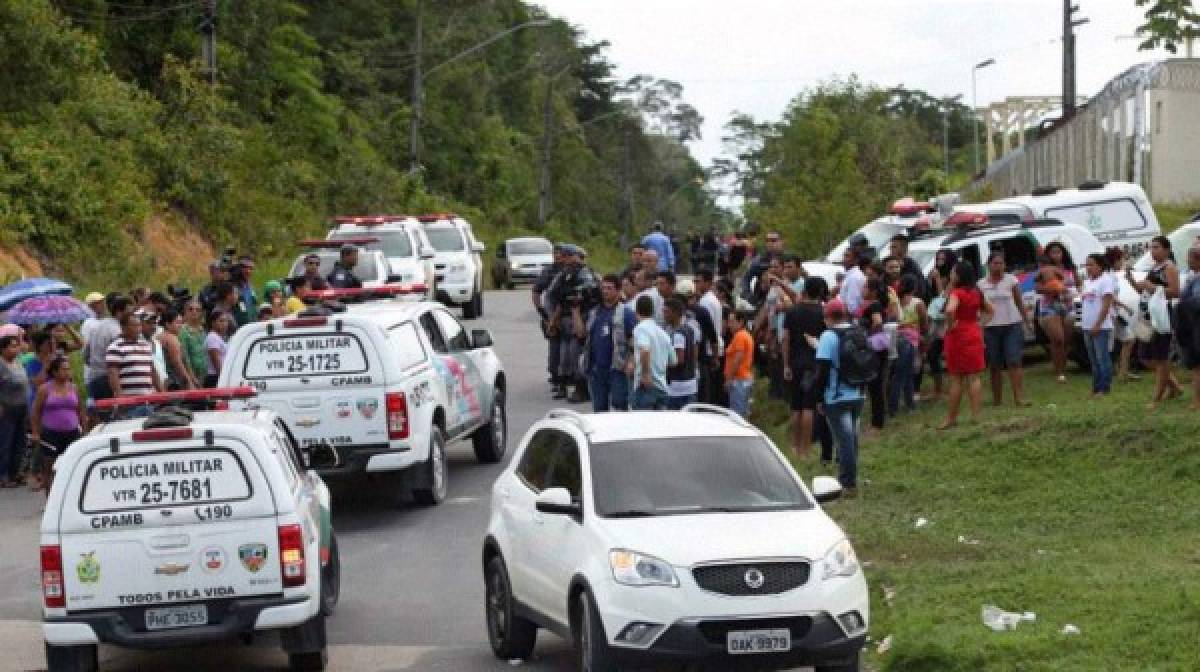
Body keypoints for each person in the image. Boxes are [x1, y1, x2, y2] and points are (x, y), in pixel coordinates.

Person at [814, 299, 865, 494]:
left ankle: (847, 482)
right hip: (857, 393)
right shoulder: (857, 331)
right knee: (851, 438)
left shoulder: (828, 336)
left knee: (844, 441)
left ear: (827, 318)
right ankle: (850, 475)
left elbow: (822, 370)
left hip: (836, 396)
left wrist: (819, 398)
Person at [1128, 234, 1183, 408]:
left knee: (1160, 358)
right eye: (1151, 247)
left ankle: (1156, 399)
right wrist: (1131, 280)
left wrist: (1153, 287)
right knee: (1145, 357)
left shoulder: (1169, 267)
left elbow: (1175, 291)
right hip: (1147, 316)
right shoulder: (1155, 267)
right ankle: (1174, 386)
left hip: (1161, 317)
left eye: (1157, 247)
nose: (1153, 251)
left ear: (1167, 250)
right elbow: (1142, 291)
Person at [783, 277, 832, 460]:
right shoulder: (823, 313)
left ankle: (794, 447)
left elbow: (786, 338)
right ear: (820, 292)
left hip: (795, 362)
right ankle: (805, 450)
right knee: (809, 407)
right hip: (814, 364)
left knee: (795, 407)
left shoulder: (792, 311)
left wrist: (786, 364)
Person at [940, 261, 991, 429]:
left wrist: (950, 324)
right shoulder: (977, 292)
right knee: (974, 377)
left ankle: (951, 418)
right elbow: (991, 310)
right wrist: (981, 325)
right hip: (973, 332)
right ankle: (976, 416)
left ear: (959, 275)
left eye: (953, 272)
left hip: (958, 335)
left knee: (956, 378)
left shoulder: (956, 293)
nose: (951, 275)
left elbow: (949, 310)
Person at [978, 251, 1031, 407]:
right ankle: (997, 399)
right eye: (995, 263)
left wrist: (1026, 321)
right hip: (990, 327)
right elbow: (979, 307)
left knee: (1014, 361)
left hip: (1011, 324)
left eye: (1001, 263)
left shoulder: (1011, 280)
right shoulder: (981, 284)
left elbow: (1019, 301)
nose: (998, 266)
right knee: (994, 364)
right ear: (988, 265)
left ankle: (1019, 398)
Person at [30, 356, 85, 497]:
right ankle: (50, 499)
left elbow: (80, 411)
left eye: (68, 369)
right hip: (51, 433)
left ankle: (72, 497)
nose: (67, 372)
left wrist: (84, 430)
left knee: (73, 466)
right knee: (49, 467)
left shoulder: (74, 388)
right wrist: (36, 432)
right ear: (54, 372)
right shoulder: (45, 389)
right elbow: (35, 412)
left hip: (72, 432)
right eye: (63, 369)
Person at [584, 275, 635, 412]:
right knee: (599, 409)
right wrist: (575, 311)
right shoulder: (594, 313)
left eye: (609, 288)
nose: (605, 291)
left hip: (617, 368)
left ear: (618, 291)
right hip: (597, 369)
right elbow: (583, 335)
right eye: (603, 288)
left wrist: (631, 361)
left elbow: (634, 341)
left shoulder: (626, 313)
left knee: (620, 407)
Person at [1035, 242, 1077, 383]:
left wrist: (1072, 292)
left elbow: (1079, 285)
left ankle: (1061, 367)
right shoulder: (1044, 269)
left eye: (1059, 251)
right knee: (1058, 338)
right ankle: (1059, 372)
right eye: (1053, 252)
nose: (1056, 255)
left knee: (1067, 341)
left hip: (1069, 306)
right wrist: (1054, 289)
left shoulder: (1071, 269)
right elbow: (1037, 288)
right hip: (1050, 306)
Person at [82, 295, 132, 409]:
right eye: (129, 312)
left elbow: (85, 356)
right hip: (110, 381)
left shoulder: (97, 326)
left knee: (103, 417)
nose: (132, 315)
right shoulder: (117, 330)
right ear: (119, 312)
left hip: (95, 379)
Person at [629, 295, 675, 410]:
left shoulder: (640, 328)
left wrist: (645, 374)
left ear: (637, 310)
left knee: (643, 425)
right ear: (652, 311)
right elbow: (673, 361)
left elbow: (645, 350)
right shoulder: (663, 333)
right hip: (662, 387)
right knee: (659, 426)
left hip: (646, 387)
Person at [923, 249, 958, 400]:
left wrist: (937, 281)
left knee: (950, 355)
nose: (940, 261)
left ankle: (953, 388)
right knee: (932, 355)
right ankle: (938, 389)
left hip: (948, 321)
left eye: (943, 258)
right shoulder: (935, 275)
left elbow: (942, 300)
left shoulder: (954, 278)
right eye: (938, 258)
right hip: (935, 322)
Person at [1080, 253, 1117, 397]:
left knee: (1102, 358)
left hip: (1100, 326)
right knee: (1093, 360)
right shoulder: (1088, 282)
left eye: (1091, 264)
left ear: (1100, 266)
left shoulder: (1105, 281)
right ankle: (1096, 387)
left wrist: (1097, 324)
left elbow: (1106, 305)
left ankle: (1104, 388)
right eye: (1086, 265)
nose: (1088, 268)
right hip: (1087, 326)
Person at [889, 274, 926, 414]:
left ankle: (898, 405)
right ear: (915, 287)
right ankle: (903, 406)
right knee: (906, 374)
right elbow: (924, 324)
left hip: (894, 338)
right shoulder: (918, 303)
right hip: (910, 341)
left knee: (896, 374)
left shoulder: (894, 301)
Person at [106, 313, 162, 402]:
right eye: (134, 326)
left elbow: (152, 371)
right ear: (123, 327)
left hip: (148, 398)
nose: (138, 329)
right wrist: (120, 397)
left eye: (139, 325)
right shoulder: (115, 347)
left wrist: (162, 393)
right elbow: (113, 374)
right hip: (129, 400)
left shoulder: (145, 345)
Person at [857, 278, 888, 433]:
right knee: (873, 385)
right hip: (873, 348)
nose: (862, 290)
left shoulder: (874, 305)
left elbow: (877, 322)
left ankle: (877, 423)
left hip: (875, 349)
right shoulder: (869, 304)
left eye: (865, 287)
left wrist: (867, 335)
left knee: (875, 385)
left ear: (872, 290)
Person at [1105, 247, 1139, 382]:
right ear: (1115, 260)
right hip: (1109, 314)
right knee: (1108, 345)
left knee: (1129, 339)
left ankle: (1123, 371)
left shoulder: (1111, 274)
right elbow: (1110, 297)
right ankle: (1107, 374)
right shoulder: (1108, 276)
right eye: (1121, 259)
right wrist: (1125, 307)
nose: (1122, 263)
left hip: (1114, 313)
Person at [0, 335, 30, 488]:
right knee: (6, 442)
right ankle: (3, 475)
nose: (16, 349)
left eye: (17, 346)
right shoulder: (1, 364)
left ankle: (14, 472)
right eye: (12, 346)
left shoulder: (17, 363)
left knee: (20, 442)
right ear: (3, 349)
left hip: (21, 406)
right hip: (7, 407)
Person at [1175, 247, 1200, 410]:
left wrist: (1183, 304)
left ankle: (1197, 401)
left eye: (1190, 258)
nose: (1188, 261)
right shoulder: (1193, 278)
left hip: (1196, 325)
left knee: (1198, 366)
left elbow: (1196, 303)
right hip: (1192, 325)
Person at [663, 297, 699, 409]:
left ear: (676, 313)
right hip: (691, 385)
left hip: (678, 389)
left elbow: (679, 360)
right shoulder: (690, 330)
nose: (664, 314)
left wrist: (662, 364)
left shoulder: (678, 334)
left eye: (666, 311)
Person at [724, 308, 755, 417]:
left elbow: (737, 359)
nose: (729, 325)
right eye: (728, 321)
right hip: (742, 379)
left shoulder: (740, 336)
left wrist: (729, 379)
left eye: (732, 321)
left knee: (737, 416)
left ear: (741, 321)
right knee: (742, 413)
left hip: (739, 380)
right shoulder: (743, 335)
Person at [158, 308, 196, 390]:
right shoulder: (171, 339)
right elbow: (177, 363)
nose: (181, 325)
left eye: (181, 322)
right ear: (167, 324)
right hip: (173, 380)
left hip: (165, 379)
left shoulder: (159, 336)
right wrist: (189, 382)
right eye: (177, 322)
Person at [888, 234, 931, 300]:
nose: (890, 249)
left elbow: (920, 291)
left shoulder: (913, 268)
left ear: (904, 249)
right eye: (891, 247)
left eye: (894, 247)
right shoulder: (886, 262)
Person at [179, 300, 210, 388]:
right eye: (190, 309)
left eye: (198, 310)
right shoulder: (183, 331)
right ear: (185, 312)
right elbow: (185, 357)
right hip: (190, 377)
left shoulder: (202, 330)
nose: (194, 312)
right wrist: (191, 377)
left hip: (203, 375)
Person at [205, 311, 232, 388]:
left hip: (220, 376)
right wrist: (224, 379)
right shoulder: (212, 338)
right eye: (221, 321)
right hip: (215, 377)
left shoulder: (219, 337)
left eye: (226, 321)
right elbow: (216, 362)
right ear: (213, 323)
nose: (225, 324)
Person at [838, 248, 866, 315]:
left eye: (847, 256)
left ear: (856, 260)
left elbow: (852, 305)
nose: (844, 259)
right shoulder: (849, 275)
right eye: (844, 256)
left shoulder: (854, 277)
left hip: (850, 318)